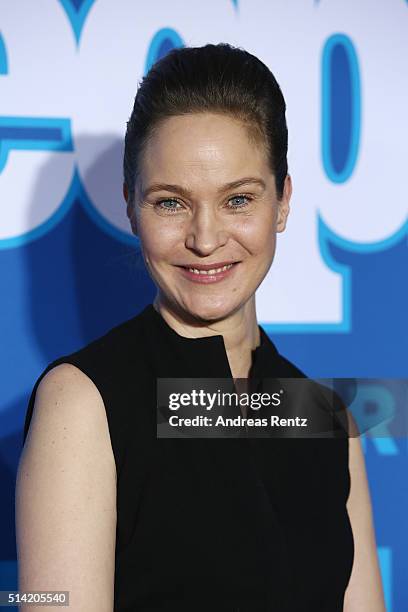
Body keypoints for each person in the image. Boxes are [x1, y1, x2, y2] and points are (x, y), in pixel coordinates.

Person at [15, 43, 385, 611]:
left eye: (238, 198)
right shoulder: (83, 400)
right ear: (130, 206)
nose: (205, 238)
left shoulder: (327, 419)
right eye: (170, 203)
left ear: (282, 201)